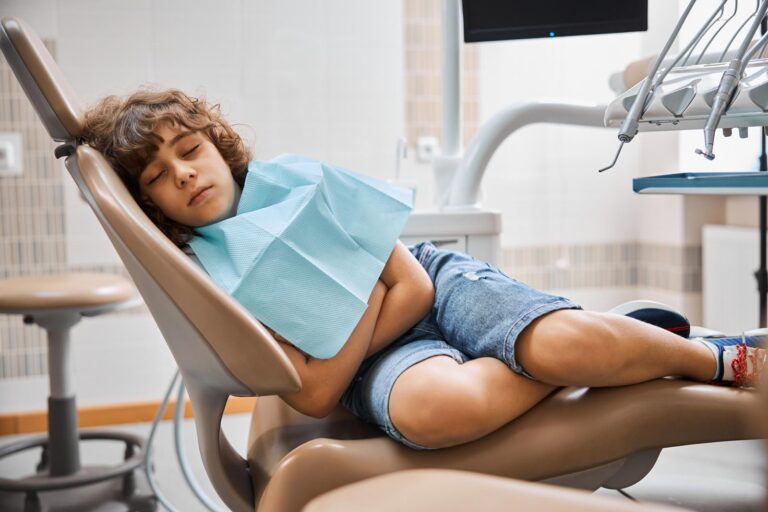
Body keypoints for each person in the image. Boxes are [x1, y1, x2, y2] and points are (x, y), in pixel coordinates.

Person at [82, 88, 767, 450]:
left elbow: (412, 286)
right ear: (149, 204)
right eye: (158, 176)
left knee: (563, 343)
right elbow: (315, 397)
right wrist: (351, 336)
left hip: (433, 288)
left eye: (190, 149)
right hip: (377, 355)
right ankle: (612, 341)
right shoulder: (207, 276)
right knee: (438, 410)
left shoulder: (297, 183)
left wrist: (338, 341)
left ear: (215, 143)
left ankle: (716, 358)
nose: (184, 174)